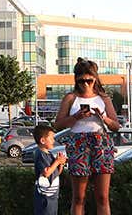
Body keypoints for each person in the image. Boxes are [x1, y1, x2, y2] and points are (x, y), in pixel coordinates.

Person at [53, 57, 119, 215]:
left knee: (102, 197)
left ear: (95, 78)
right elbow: (57, 125)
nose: (85, 84)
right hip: (78, 143)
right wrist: (76, 117)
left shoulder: (104, 98)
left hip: (101, 143)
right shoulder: (71, 98)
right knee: (78, 197)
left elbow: (116, 126)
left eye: (89, 80)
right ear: (76, 79)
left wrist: (103, 117)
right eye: (81, 80)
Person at [32, 122, 67, 215]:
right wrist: (57, 162)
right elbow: (46, 173)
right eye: (51, 138)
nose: (53, 141)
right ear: (43, 140)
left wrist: (61, 164)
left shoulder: (50, 154)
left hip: (52, 197)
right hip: (44, 198)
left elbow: (55, 173)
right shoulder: (40, 154)